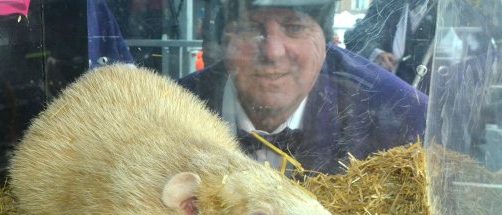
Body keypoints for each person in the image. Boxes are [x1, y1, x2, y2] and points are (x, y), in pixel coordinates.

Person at [178, 0, 427, 175]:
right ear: (222, 43)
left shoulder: (398, 122)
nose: (272, 52)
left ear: (326, 42)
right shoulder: (172, 112)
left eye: (295, 28)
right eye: (250, 28)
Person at [344, 0, 437, 93]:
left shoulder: (444, 9)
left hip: (426, 93)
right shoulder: (385, 3)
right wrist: (377, 54)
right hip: (384, 90)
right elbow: (356, 36)